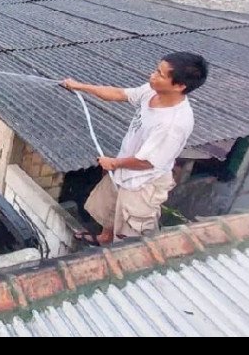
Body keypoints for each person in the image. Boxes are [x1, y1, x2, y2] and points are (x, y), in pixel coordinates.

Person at [62, 51, 208, 246]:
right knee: (112, 209)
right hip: (124, 168)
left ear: (180, 86)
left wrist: (113, 162)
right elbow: (119, 93)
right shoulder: (152, 91)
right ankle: (105, 237)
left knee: (131, 234)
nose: (152, 76)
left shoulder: (173, 124)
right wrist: (80, 86)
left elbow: (147, 162)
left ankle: (118, 259)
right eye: (156, 70)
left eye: (160, 75)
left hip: (143, 182)